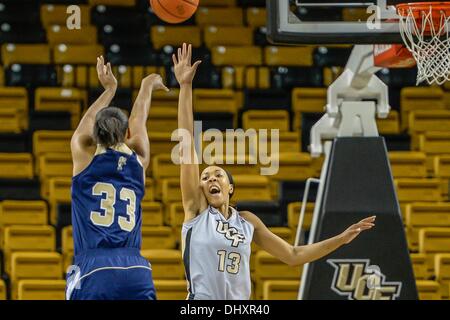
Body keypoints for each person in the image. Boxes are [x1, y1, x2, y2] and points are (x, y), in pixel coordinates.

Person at [173, 43, 376, 300]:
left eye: (218, 175)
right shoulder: (195, 212)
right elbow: (187, 143)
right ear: (199, 188)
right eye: (205, 176)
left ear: (230, 187)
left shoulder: (246, 222)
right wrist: (185, 87)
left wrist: (342, 239)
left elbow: (293, 256)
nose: (211, 178)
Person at [66, 56, 168, 300]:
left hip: (93, 267)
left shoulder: (84, 158)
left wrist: (109, 89)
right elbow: (139, 119)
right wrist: (147, 84)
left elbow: (85, 126)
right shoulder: (139, 159)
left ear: (95, 133)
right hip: (137, 269)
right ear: (126, 133)